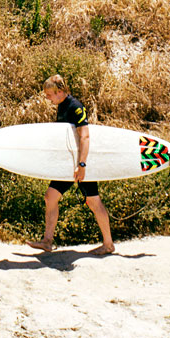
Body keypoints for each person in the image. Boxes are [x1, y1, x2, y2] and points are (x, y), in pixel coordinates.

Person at [40, 73, 114, 255]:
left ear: (59, 92)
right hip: (68, 164)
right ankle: (47, 241)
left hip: (81, 163)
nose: (47, 98)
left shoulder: (75, 107)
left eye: (49, 95)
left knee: (93, 201)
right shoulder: (62, 106)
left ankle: (108, 244)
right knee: (50, 197)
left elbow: (85, 136)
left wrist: (82, 165)